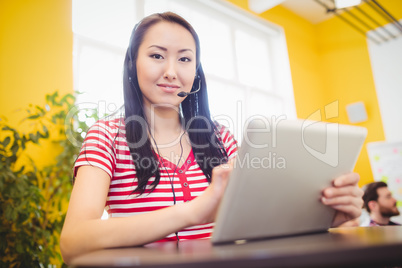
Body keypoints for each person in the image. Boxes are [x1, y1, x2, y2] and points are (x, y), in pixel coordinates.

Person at [60, 11, 364, 264]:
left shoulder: (221, 138)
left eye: (184, 59)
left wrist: (326, 215)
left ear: (196, 71)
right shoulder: (106, 136)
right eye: (156, 55)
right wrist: (193, 211)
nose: (171, 71)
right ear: (132, 64)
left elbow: (258, 221)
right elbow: (73, 242)